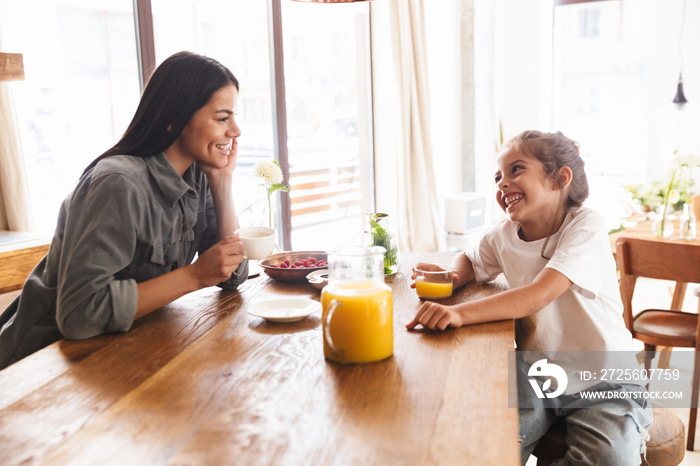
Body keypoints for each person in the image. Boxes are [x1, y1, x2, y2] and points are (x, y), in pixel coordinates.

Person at [407, 130, 652, 465]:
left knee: (610, 458)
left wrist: (460, 314)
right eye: (498, 177)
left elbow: (539, 294)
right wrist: (452, 277)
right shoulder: (502, 235)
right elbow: (470, 258)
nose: (502, 183)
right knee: (488, 439)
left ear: (559, 179)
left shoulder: (585, 226)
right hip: (539, 372)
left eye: (516, 170)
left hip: (604, 377)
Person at [0, 51, 249, 370]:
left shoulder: (198, 175)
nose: (236, 131)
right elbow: (79, 314)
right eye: (223, 117)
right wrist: (193, 275)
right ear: (175, 117)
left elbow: (232, 275)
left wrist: (222, 183)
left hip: (122, 353)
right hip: (40, 367)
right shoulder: (119, 182)